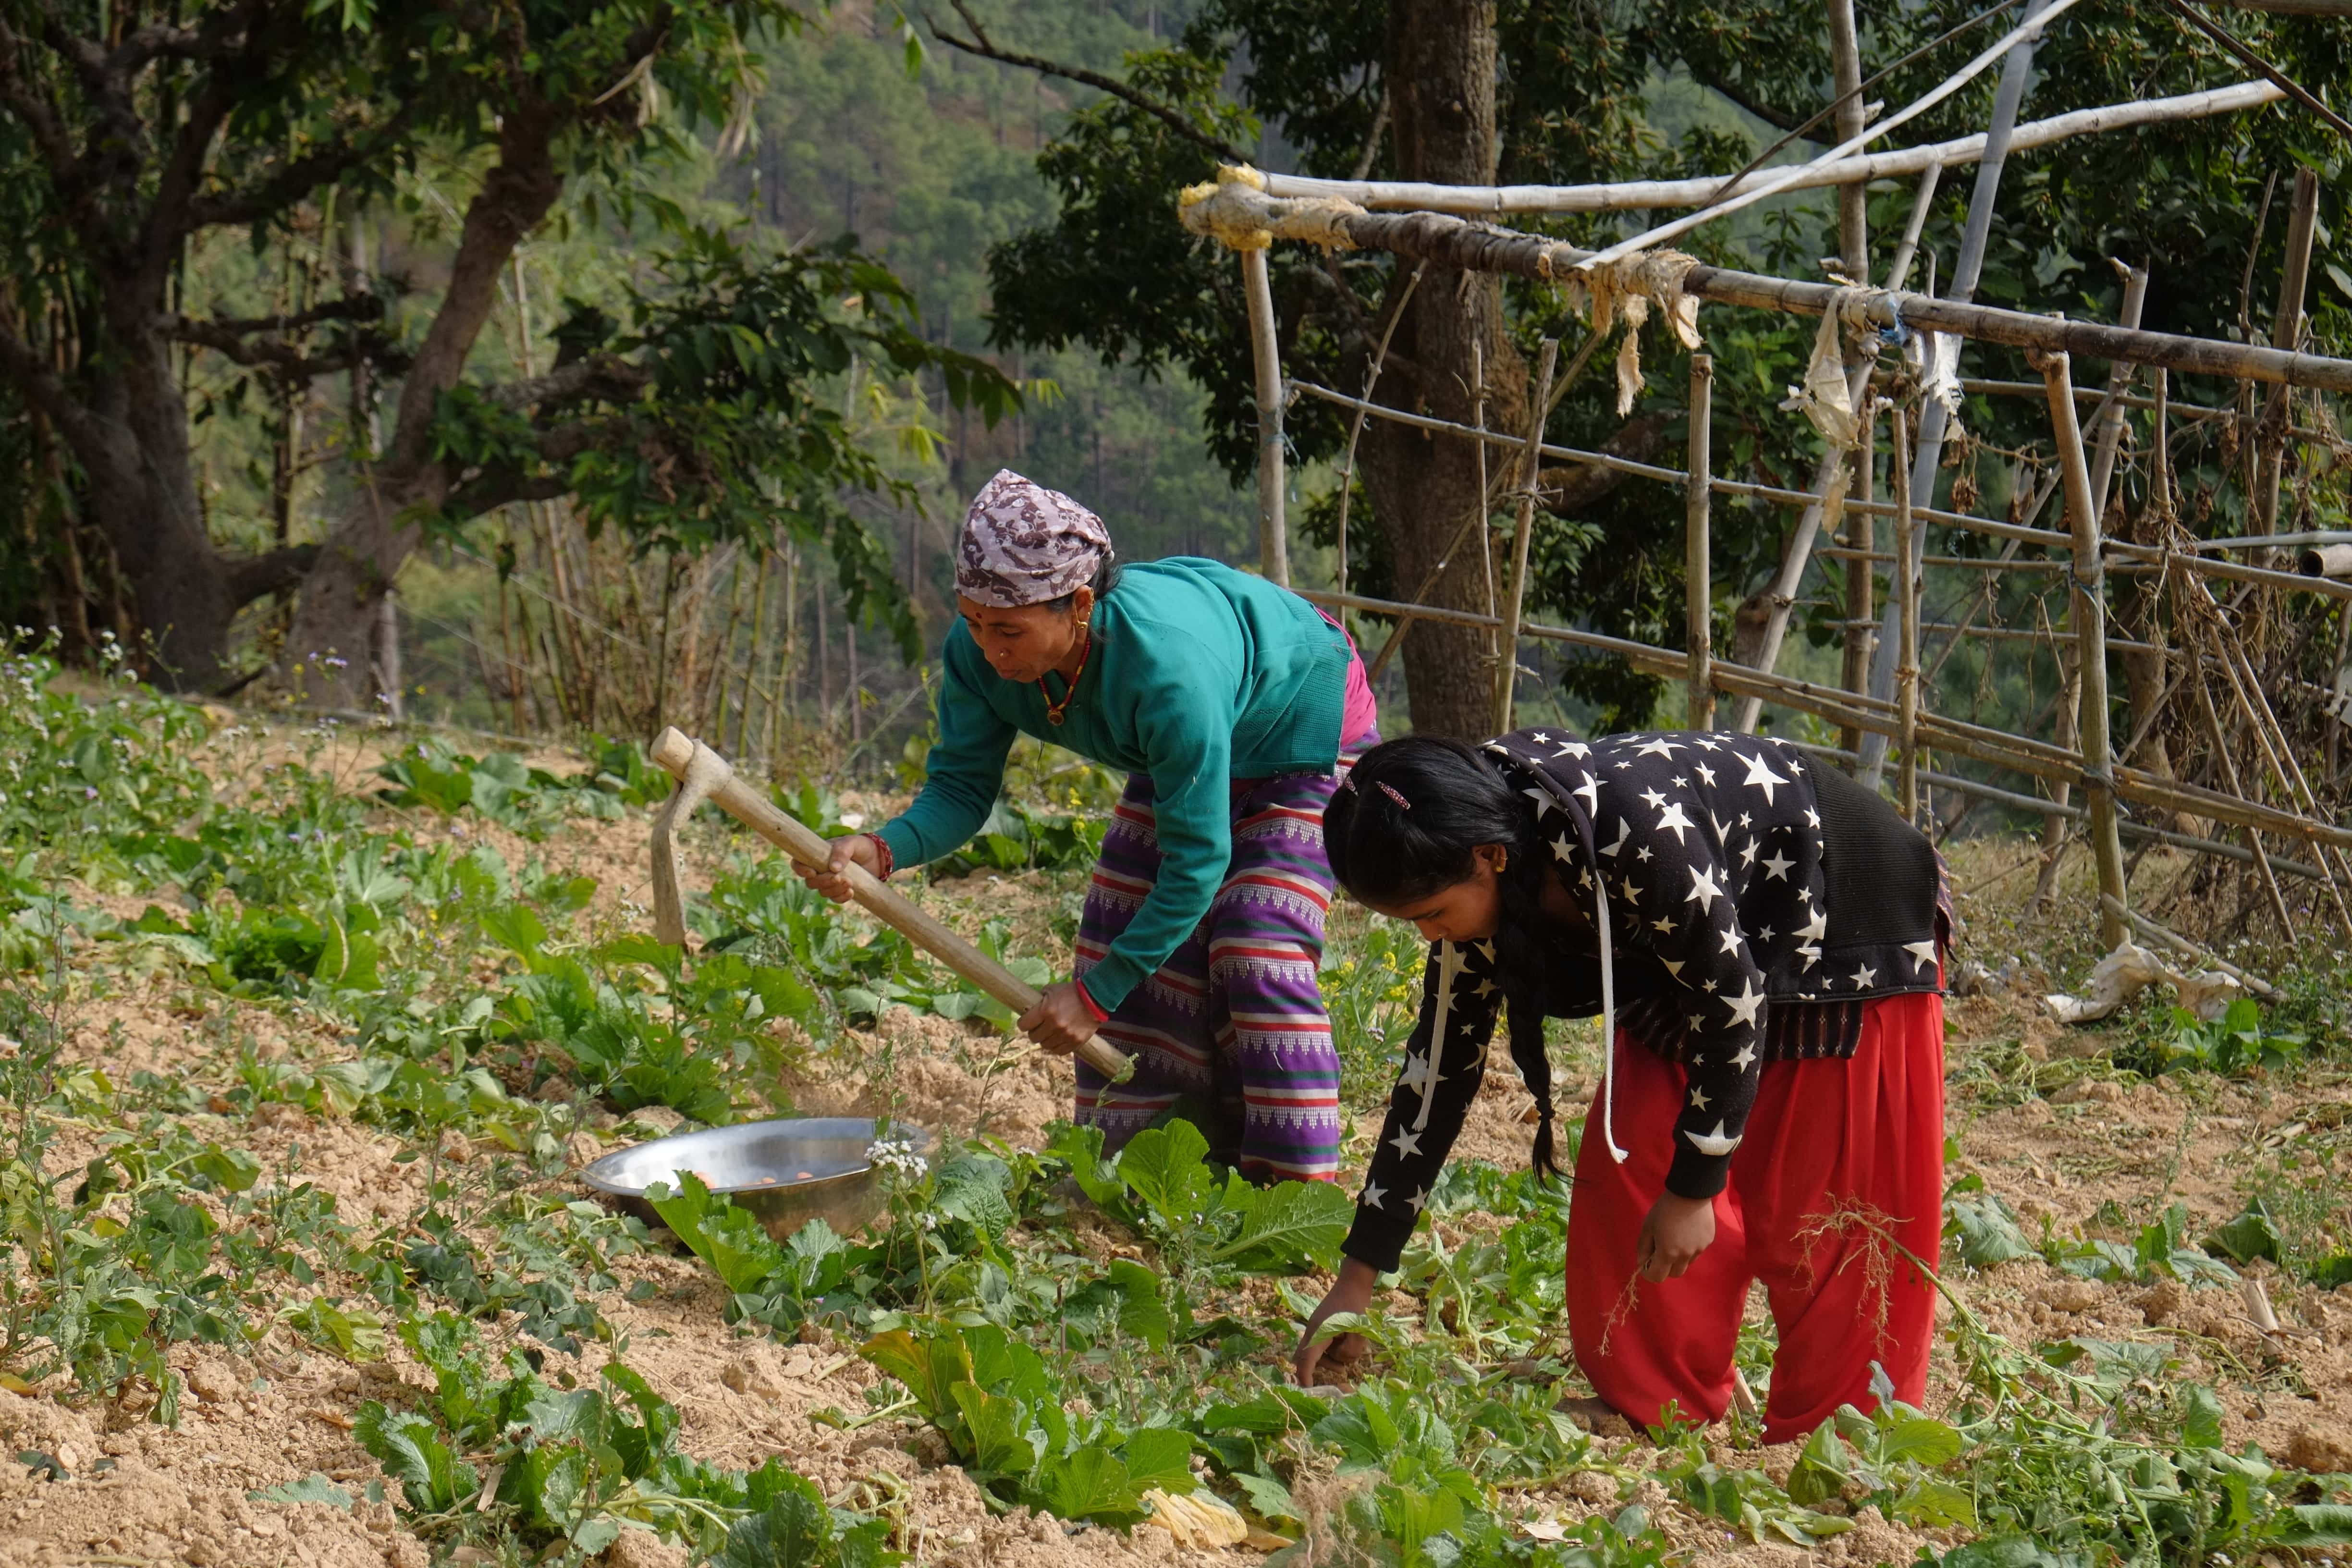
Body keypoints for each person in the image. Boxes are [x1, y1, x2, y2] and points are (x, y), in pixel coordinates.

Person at [1292, 729, 1949, 1444]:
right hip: (1695, 957)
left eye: (1430, 915)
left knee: (1827, 1215)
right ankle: (1657, 1401)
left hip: (1843, 919)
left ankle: (1849, 1436)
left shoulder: (1631, 833)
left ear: (1490, 857)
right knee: (1634, 1160)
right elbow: (1437, 1074)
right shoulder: (1474, 875)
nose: (1428, 938)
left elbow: (1732, 1004)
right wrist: (1359, 1276)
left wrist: (1695, 1187)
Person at [801, 470, 1379, 1183]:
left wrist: (1094, 996)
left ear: (1079, 605)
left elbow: (1197, 864)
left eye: (1008, 630)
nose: (990, 649)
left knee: (1257, 941)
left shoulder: (1163, 672)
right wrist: (883, 848)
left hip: (1303, 725)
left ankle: (1290, 1193)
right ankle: (1150, 1173)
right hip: (1191, 740)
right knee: (1122, 932)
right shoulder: (978, 653)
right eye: (973, 622)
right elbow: (961, 788)